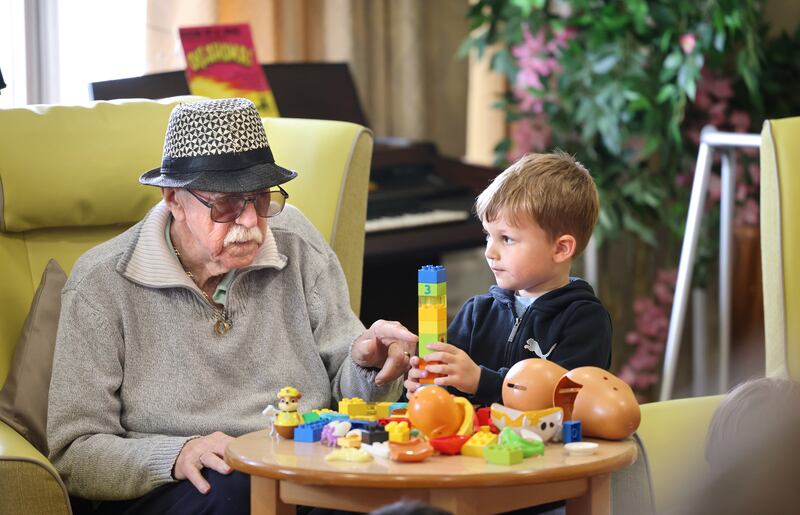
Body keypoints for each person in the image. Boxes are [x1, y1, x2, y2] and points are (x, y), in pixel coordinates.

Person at [47, 98, 418, 514]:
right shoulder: (102, 282)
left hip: (300, 460)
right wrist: (175, 455)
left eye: (259, 200)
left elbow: (353, 396)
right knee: (241, 494)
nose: (248, 222)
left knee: (401, 490)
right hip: (177, 483)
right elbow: (74, 451)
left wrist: (367, 363)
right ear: (174, 199)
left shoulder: (297, 242)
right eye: (225, 204)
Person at [405, 152, 612, 405]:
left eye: (507, 239)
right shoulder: (475, 313)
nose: (490, 252)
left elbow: (567, 401)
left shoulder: (584, 320)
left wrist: (482, 381)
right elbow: (451, 391)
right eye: (488, 236)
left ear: (560, 249)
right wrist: (429, 388)